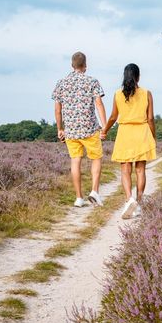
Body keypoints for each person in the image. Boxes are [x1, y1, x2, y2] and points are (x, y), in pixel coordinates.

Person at [53, 51, 107, 207]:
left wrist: (60, 128)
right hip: (90, 128)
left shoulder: (61, 83)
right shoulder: (92, 82)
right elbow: (99, 104)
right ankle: (95, 191)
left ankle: (78, 198)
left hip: (71, 129)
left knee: (75, 161)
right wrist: (104, 126)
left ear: (72, 65)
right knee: (96, 158)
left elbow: (58, 109)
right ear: (85, 66)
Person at [101, 63, 156, 219]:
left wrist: (104, 130)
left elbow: (113, 117)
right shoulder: (147, 93)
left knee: (125, 170)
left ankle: (128, 199)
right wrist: (153, 136)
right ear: (138, 76)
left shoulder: (118, 94)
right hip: (142, 132)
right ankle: (138, 202)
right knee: (140, 170)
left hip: (125, 133)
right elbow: (150, 118)